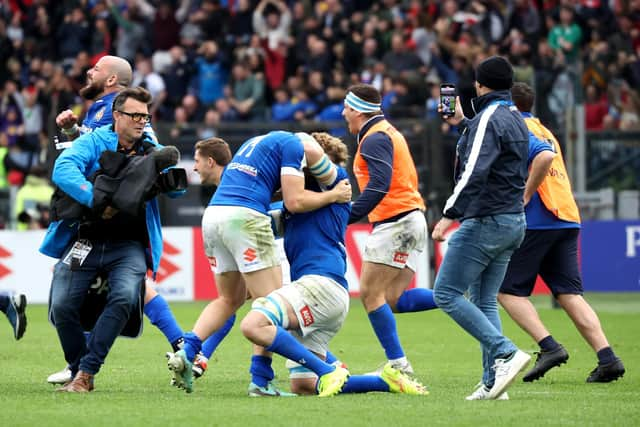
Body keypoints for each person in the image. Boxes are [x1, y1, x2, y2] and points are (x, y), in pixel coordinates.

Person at [166, 130, 352, 396]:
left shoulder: (255, 142)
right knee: (268, 306)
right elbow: (295, 201)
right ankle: (262, 379)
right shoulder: (294, 146)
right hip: (245, 216)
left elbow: (279, 195)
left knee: (228, 299)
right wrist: (333, 195)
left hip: (214, 216)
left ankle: (189, 351)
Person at [242, 132, 428, 397]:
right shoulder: (298, 204)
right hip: (328, 297)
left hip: (320, 286)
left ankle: (309, 373)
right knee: (304, 386)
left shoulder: (338, 188)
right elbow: (259, 222)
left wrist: (289, 151)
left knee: (254, 324)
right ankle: (384, 381)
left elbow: (307, 150)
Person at [48, 55, 187, 385]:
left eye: (96, 69)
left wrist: (167, 174)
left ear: (111, 82)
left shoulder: (137, 124)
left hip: (127, 234)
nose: (89, 72)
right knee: (64, 304)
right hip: (88, 229)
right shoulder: (99, 124)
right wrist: (73, 135)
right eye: (136, 116)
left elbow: (167, 175)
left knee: (127, 293)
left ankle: (85, 371)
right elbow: (75, 162)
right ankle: (79, 365)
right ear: (117, 115)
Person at [498, 82, 625, 384]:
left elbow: (539, 161)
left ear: (508, 105)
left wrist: (525, 196)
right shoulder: (545, 129)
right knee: (570, 294)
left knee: (505, 291)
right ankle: (607, 358)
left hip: (539, 218)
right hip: (566, 216)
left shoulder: (517, 128)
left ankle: (549, 346)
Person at [431, 56, 531, 401]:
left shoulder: (489, 118)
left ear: (478, 84)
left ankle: (506, 352)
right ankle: (493, 383)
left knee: (445, 293)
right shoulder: (515, 116)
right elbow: (494, 150)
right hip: (513, 219)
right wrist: (463, 122)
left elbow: (475, 170)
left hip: (485, 219)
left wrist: (448, 214)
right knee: (485, 300)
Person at [341, 83, 436, 379]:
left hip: (396, 220)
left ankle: (397, 364)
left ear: (357, 110)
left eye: (346, 106)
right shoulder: (386, 132)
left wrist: (346, 216)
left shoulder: (373, 139)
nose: (343, 112)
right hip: (410, 218)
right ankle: (459, 296)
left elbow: (379, 186)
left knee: (370, 294)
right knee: (392, 299)